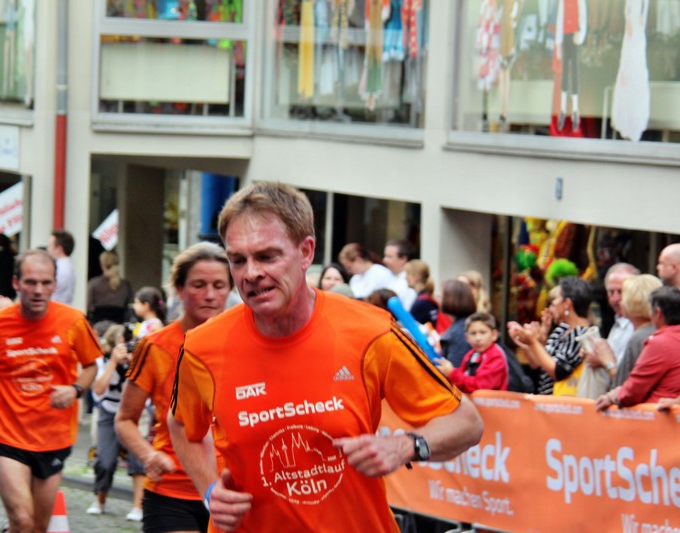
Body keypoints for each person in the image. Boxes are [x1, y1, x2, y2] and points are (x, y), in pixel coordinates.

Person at [169, 182, 483, 532]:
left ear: (306, 252)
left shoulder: (370, 330)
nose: (251, 273)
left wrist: (406, 446)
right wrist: (209, 490)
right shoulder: (202, 347)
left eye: (267, 256)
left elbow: (467, 422)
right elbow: (180, 424)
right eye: (238, 260)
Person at [0, 249, 102, 533]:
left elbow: (91, 366)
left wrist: (75, 389)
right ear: (16, 283)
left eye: (46, 282)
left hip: (54, 435)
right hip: (6, 433)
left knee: (38, 526)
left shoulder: (73, 321)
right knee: (22, 519)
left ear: (54, 284)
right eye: (30, 282)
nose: (38, 290)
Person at [115, 242, 232, 533]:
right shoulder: (155, 346)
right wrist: (149, 455)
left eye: (219, 285)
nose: (210, 295)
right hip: (172, 494)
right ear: (179, 289)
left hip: (233, 494)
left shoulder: (246, 341)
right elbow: (125, 420)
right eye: (199, 285)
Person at [596, 286, 680, 410]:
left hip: (664, 416)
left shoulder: (660, 343)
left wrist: (615, 395)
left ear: (658, 313)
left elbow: (633, 391)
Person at [86, 323, 145, 521]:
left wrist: (134, 363)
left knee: (138, 461)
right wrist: (113, 362)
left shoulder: (138, 358)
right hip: (109, 412)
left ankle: (138, 506)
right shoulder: (102, 360)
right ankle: (99, 501)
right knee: (105, 461)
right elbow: (98, 390)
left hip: (134, 412)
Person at [508, 276, 591, 396]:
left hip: (564, 404)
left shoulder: (581, 334)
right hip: (546, 400)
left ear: (567, 304)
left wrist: (533, 341)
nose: (551, 307)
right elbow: (538, 364)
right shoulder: (561, 330)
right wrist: (524, 342)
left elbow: (557, 372)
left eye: (555, 301)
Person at [585, 274, 661, 387]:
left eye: (622, 293)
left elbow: (627, 387)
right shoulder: (655, 330)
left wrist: (607, 361)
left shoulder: (640, 337)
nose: (617, 299)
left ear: (633, 302)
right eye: (611, 292)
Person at [436, 312, 509, 393]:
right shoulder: (471, 354)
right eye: (473, 333)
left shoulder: (495, 355)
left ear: (494, 335)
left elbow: (481, 386)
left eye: (483, 332)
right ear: (466, 337)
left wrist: (452, 373)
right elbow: (462, 376)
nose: (478, 338)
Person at [87, 250, 134, 325]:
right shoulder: (126, 284)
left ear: (102, 264)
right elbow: (130, 304)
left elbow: (88, 306)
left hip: (98, 326)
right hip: (119, 326)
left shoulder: (94, 283)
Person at [439, 279, 477, 367]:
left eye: (443, 295)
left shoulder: (459, 332)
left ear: (452, 299)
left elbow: (455, 368)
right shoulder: (463, 325)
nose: (439, 296)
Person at [382, 239, 418, 310]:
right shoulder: (386, 277)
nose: (384, 260)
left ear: (403, 259)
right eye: (385, 256)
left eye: (389, 257)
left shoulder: (408, 284)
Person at [48, 229, 76, 305]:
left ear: (59, 249)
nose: (48, 249)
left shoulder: (59, 269)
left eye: (50, 246)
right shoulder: (67, 266)